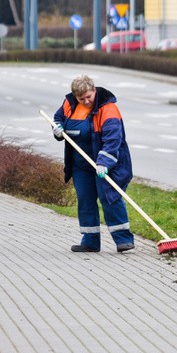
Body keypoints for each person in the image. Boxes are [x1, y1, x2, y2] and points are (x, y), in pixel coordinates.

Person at [52, 75, 135, 253]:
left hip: (107, 163)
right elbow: (58, 118)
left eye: (88, 97)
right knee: (85, 200)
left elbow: (113, 140)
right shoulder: (69, 104)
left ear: (94, 90)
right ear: (75, 96)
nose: (86, 101)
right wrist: (57, 128)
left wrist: (104, 162)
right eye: (81, 99)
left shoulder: (108, 108)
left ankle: (123, 240)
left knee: (109, 197)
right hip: (81, 164)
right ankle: (90, 241)